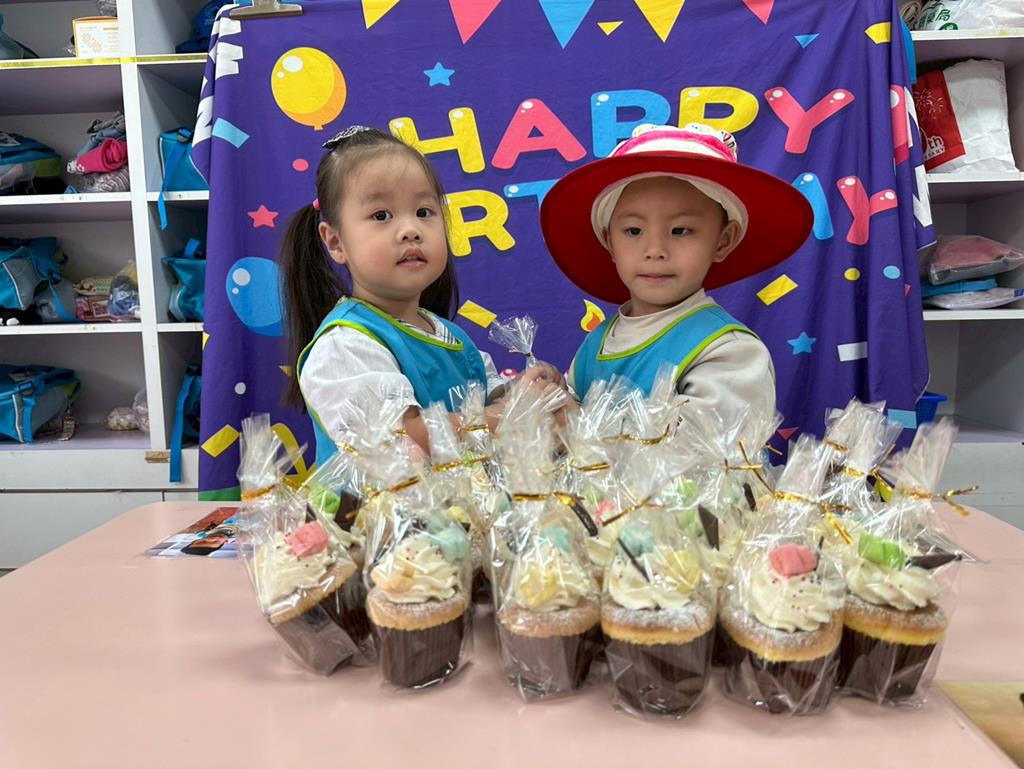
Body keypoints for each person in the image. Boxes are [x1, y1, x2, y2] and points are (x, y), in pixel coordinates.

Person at [281, 126, 554, 466]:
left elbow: (485, 395)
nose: (410, 230)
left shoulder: (450, 336)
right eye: (381, 216)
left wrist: (529, 391)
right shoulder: (346, 345)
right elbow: (405, 440)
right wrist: (509, 414)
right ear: (335, 242)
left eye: (424, 212)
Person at [539, 123, 813, 423]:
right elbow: (571, 419)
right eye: (634, 231)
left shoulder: (730, 351)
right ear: (609, 242)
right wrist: (551, 397)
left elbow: (704, 447)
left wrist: (573, 425)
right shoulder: (597, 343)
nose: (655, 250)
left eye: (680, 230)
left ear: (723, 240)